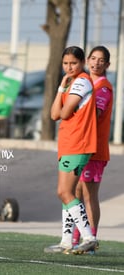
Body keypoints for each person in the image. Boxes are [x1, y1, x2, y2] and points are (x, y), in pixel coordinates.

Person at [45, 46, 98, 254]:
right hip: (68, 144)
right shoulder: (70, 83)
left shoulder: (82, 81)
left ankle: (88, 236)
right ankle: (66, 241)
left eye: (73, 63)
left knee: (64, 192)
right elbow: (53, 115)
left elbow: (65, 113)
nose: (69, 67)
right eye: (65, 63)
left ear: (82, 62)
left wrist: (63, 97)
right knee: (65, 193)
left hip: (78, 143)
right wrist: (60, 88)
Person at [72, 46, 113, 250]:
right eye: (93, 58)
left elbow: (93, 116)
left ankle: (91, 240)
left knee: (89, 195)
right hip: (81, 147)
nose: (96, 62)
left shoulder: (103, 87)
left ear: (107, 65)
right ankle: (78, 239)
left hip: (94, 150)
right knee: (76, 193)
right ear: (87, 60)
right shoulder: (86, 83)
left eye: (101, 60)